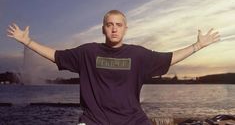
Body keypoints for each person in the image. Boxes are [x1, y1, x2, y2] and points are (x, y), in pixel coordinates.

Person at [7, 10, 220, 125]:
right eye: (110, 24)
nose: (114, 29)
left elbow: (169, 58)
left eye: (119, 25)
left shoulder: (139, 55)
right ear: (103, 29)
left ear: (125, 29)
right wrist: (28, 42)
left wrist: (198, 45)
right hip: (94, 121)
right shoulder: (87, 52)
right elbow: (55, 56)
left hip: (134, 120)